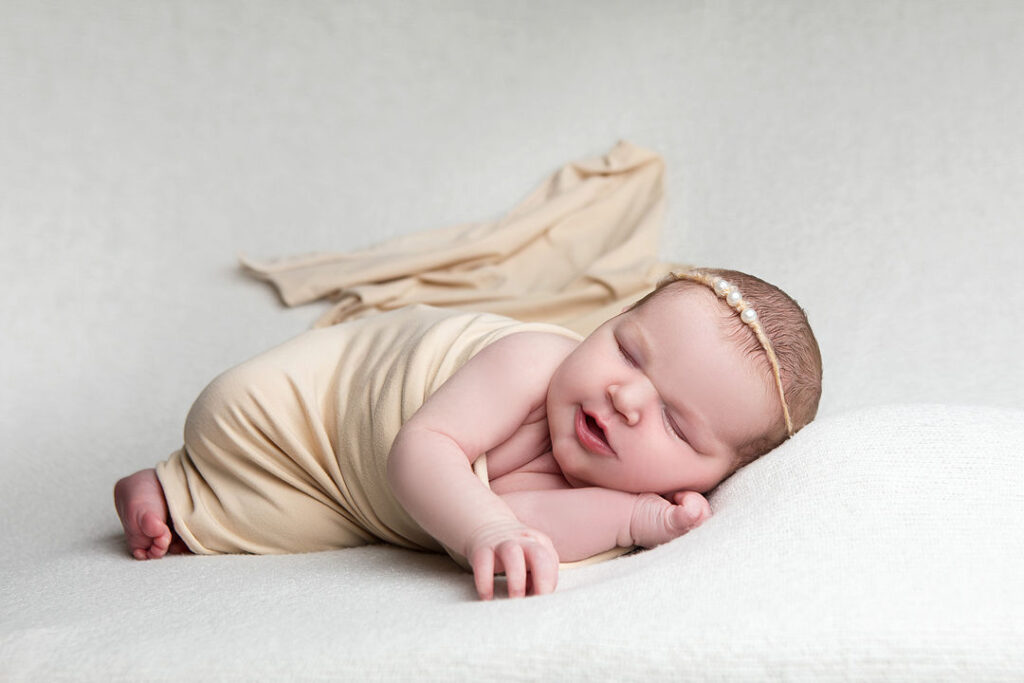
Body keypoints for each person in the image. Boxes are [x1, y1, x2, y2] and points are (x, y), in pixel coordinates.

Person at [114, 268, 822, 600]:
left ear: (710, 474)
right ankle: (173, 484)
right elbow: (420, 451)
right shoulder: (532, 362)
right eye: (628, 350)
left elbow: (533, 522)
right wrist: (482, 527)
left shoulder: (620, 473)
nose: (626, 395)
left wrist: (646, 519)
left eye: (674, 421)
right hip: (296, 421)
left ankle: (184, 506)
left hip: (348, 490)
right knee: (279, 505)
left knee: (310, 525)